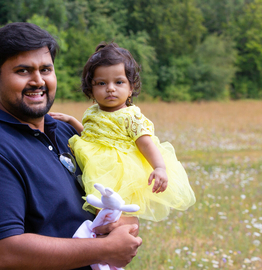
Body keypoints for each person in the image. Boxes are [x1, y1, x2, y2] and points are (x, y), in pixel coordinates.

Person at [0, 23, 142, 270]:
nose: (38, 81)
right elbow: (3, 252)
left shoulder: (66, 132)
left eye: (45, 69)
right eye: (23, 71)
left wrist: (116, 225)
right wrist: (105, 249)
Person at [50, 43, 196, 222]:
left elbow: (146, 143)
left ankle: (114, 236)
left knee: (116, 212)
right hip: (97, 164)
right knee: (99, 208)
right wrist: (72, 121)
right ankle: (97, 234)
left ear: (131, 88)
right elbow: (90, 137)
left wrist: (159, 167)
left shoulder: (130, 116)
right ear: (91, 89)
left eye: (119, 82)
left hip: (120, 169)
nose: (110, 88)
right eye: (101, 83)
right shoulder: (93, 112)